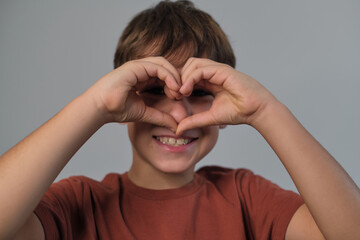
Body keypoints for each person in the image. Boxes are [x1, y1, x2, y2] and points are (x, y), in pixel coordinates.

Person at [1, 0, 359, 239]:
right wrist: (94, 105)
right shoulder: (80, 203)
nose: (177, 115)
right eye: (154, 89)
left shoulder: (246, 197)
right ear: (122, 100)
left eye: (200, 93)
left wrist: (265, 111)